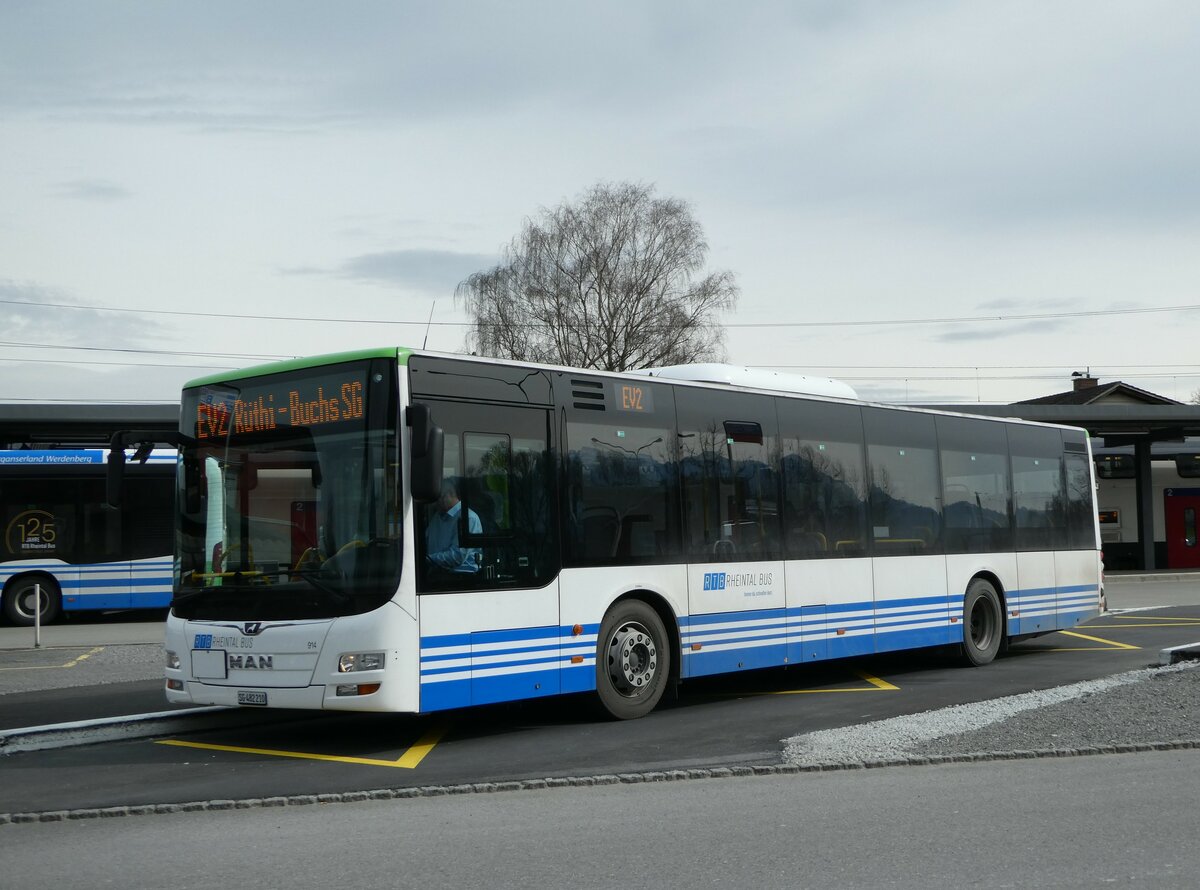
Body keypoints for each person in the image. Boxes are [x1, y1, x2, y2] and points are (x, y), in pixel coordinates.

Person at [426, 480, 482, 574]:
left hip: (461, 578)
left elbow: (457, 557)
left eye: (439, 498)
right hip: (436, 573)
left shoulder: (467, 517)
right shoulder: (437, 517)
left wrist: (429, 559)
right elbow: (426, 540)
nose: (436, 503)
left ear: (450, 494)